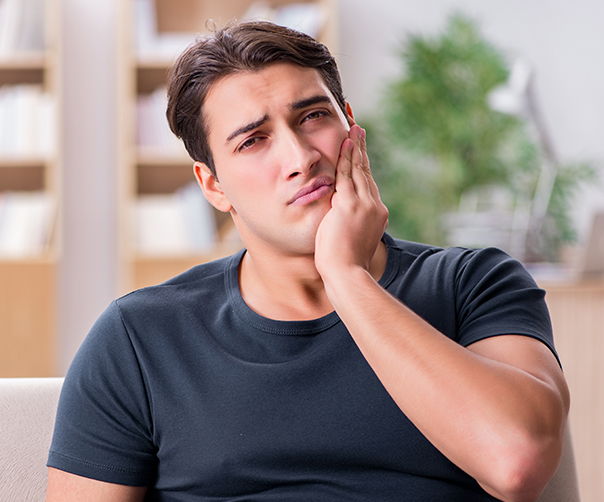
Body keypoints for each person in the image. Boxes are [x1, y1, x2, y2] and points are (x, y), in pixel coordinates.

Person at [46, 21, 569, 502]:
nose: (300, 159)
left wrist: (346, 277)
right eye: (253, 141)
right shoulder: (139, 337)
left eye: (314, 116)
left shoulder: (472, 284)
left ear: (352, 130)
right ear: (213, 185)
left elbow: (517, 461)